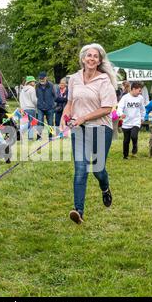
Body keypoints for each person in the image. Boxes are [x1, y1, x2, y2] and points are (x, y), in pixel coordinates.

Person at [59, 43, 117, 225]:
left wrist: (84, 117)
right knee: (81, 170)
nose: (92, 58)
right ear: (83, 58)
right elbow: (70, 102)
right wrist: (65, 115)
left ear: (99, 61)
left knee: (98, 169)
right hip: (79, 128)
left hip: (100, 128)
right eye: (89, 55)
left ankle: (105, 188)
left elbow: (107, 108)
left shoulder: (104, 80)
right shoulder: (74, 78)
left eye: (95, 56)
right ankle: (79, 211)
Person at [117, 81, 145, 159]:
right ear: (133, 89)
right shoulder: (125, 97)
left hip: (136, 121)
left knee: (134, 135)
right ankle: (125, 156)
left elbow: (143, 109)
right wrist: (121, 114)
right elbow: (119, 108)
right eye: (139, 90)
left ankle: (134, 147)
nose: (140, 92)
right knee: (126, 140)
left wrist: (142, 118)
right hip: (126, 122)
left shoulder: (140, 98)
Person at [36, 71, 56, 139]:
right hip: (40, 107)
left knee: (50, 123)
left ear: (46, 78)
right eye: (40, 79)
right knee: (39, 122)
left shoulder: (51, 85)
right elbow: (36, 95)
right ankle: (39, 137)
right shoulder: (37, 86)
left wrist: (53, 104)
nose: (41, 80)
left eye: (43, 78)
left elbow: (55, 96)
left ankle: (50, 137)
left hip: (50, 107)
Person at [20, 76, 38, 140]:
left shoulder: (22, 90)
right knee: (32, 123)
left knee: (27, 123)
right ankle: (28, 136)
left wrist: (22, 108)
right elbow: (34, 100)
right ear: (30, 82)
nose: (35, 83)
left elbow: (20, 100)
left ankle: (22, 131)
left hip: (24, 108)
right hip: (31, 108)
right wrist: (37, 104)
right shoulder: (32, 89)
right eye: (34, 81)